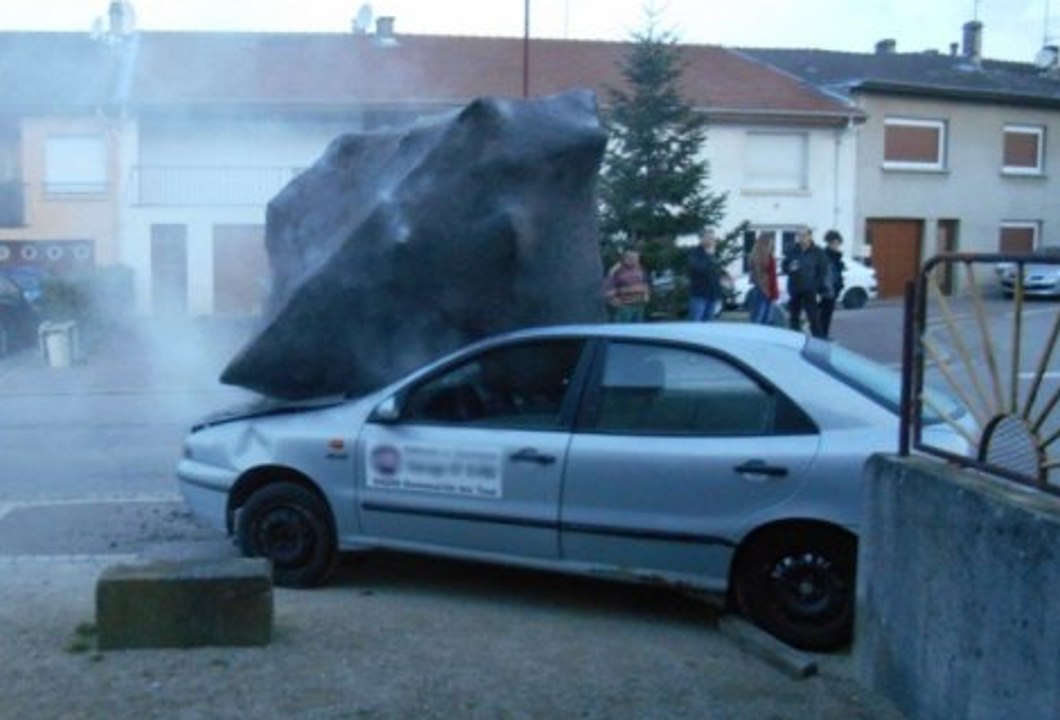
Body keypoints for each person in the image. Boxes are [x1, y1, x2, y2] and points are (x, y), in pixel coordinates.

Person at [782, 229, 828, 338]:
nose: (802, 238)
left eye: (804, 236)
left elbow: (823, 271)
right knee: (794, 317)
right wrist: (789, 268)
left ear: (810, 236)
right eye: (800, 236)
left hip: (810, 290)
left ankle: (819, 340)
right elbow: (784, 268)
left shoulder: (818, 252)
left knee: (813, 317)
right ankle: (795, 339)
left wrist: (816, 286)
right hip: (795, 289)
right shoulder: (793, 251)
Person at [603, 248, 650, 322]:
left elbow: (644, 282)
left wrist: (646, 294)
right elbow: (609, 285)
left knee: (638, 328)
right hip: (625, 305)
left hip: (639, 304)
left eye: (637, 258)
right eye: (632, 258)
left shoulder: (639, 269)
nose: (635, 260)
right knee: (624, 327)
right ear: (625, 258)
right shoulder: (616, 270)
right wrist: (613, 300)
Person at [687, 229, 723, 321]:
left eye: (713, 238)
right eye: (709, 238)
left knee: (709, 325)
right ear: (701, 239)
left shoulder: (714, 254)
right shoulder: (695, 253)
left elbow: (715, 272)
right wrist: (709, 256)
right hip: (699, 295)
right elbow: (698, 269)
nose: (712, 240)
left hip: (712, 294)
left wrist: (724, 277)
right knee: (696, 323)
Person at [819, 229, 846, 339]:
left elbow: (837, 274)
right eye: (834, 243)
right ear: (829, 243)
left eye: (838, 243)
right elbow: (827, 275)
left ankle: (824, 334)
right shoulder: (826, 256)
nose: (836, 246)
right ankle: (821, 336)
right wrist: (828, 290)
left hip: (833, 290)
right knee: (823, 315)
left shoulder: (836, 256)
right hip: (826, 290)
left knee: (827, 315)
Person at [747, 233, 779, 324]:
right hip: (762, 288)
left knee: (767, 317)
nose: (772, 244)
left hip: (768, 287)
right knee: (760, 316)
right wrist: (765, 290)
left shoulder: (768, 255)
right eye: (770, 242)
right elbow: (757, 275)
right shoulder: (758, 255)